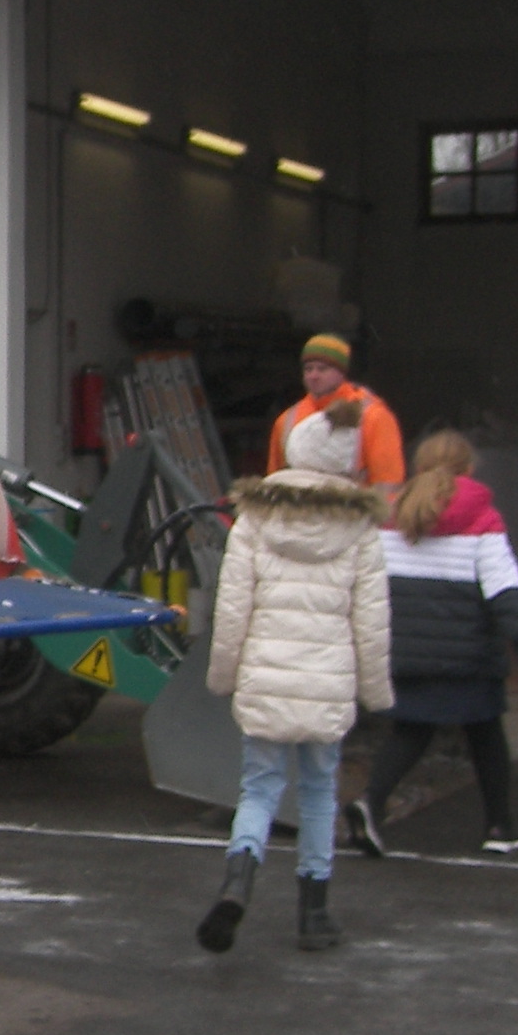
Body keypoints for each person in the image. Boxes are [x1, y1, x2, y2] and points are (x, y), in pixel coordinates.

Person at [200, 400, 391, 954]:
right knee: (318, 792)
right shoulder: (359, 529)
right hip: (327, 680)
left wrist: (223, 674)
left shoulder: (256, 519)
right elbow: (372, 620)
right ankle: (314, 913)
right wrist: (375, 690)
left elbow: (232, 608)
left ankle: (238, 881)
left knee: (257, 789)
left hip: (266, 675)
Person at [346, 431, 518, 858]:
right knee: (486, 736)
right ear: (469, 468)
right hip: (469, 656)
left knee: (411, 730)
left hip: (405, 652)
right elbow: (508, 597)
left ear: (417, 465)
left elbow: (362, 589)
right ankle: (499, 825)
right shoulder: (484, 520)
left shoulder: (389, 516)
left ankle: (370, 802)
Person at [265, 333, 407, 487]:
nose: (314, 375)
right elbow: (276, 479)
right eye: (308, 369)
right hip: (301, 509)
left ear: (341, 372)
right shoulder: (286, 420)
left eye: (322, 369)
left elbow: (388, 481)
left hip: (350, 508)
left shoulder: (374, 416)